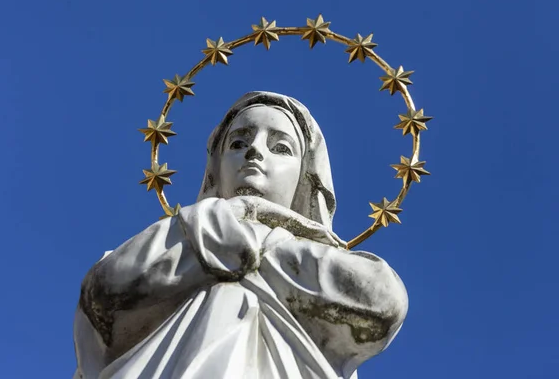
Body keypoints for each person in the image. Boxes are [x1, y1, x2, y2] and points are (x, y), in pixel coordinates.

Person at [73, 91, 408, 379]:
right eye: (238, 142)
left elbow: (383, 302)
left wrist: (261, 235)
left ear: (306, 178)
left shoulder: (326, 260)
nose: (254, 152)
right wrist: (229, 220)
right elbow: (102, 294)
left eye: (280, 147)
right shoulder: (181, 231)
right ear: (215, 166)